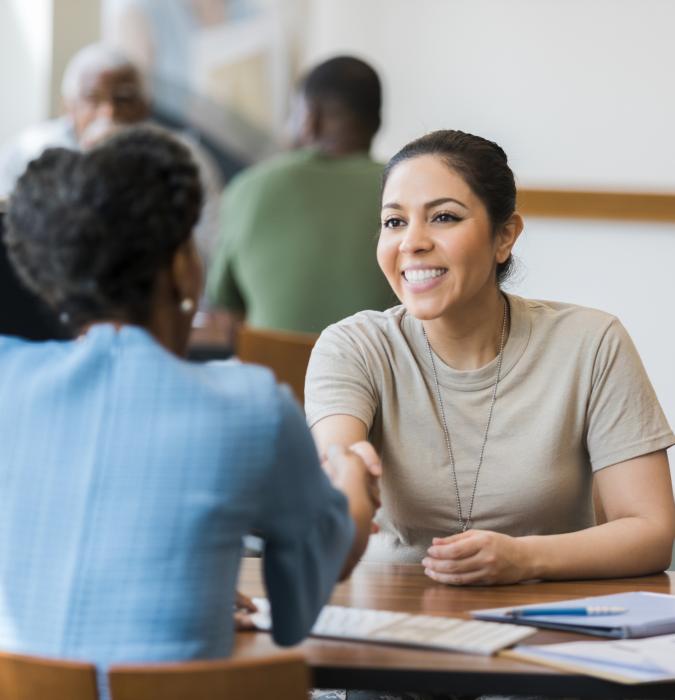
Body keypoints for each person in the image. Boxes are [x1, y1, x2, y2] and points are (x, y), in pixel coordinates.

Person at [0, 127, 380, 696]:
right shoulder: (251, 407)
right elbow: (303, 600)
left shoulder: (11, 381)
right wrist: (353, 483)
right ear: (182, 268)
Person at [305, 129, 675, 584]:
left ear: (504, 237)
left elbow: (651, 531)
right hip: (391, 611)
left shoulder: (592, 342)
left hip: (546, 624)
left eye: (443, 217)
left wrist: (524, 559)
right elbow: (340, 464)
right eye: (394, 222)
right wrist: (347, 479)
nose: (412, 242)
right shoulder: (353, 345)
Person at [206, 55, 395, 335]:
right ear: (377, 121)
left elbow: (224, 309)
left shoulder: (249, 188)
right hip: (374, 375)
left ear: (309, 118)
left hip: (275, 373)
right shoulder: (404, 190)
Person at [0, 43, 223, 265]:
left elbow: (211, 244)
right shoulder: (28, 152)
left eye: (123, 99)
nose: (109, 111)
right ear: (68, 107)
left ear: (147, 106)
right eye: (92, 99)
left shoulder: (184, 157)